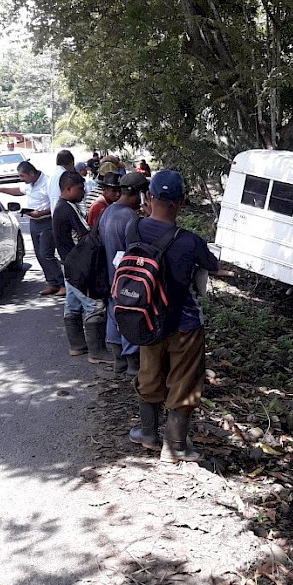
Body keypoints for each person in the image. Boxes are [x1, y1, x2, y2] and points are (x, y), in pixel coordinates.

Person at [125, 170, 230, 463]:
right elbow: (213, 264)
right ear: (182, 201)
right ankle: (175, 448)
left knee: (149, 375)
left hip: (147, 319)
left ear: (150, 197)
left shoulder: (134, 229)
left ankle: (148, 434)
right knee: (183, 383)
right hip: (185, 325)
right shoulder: (190, 241)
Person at [52, 170, 110, 364]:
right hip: (77, 265)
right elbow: (85, 235)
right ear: (68, 189)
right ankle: (97, 352)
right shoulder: (67, 208)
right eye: (80, 188)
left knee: (72, 306)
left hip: (68, 263)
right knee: (95, 305)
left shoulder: (63, 206)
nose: (84, 192)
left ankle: (77, 345)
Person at [98, 171, 149, 378]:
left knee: (113, 313)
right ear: (138, 194)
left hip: (111, 276)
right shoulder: (130, 218)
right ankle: (132, 364)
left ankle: (118, 360)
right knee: (130, 316)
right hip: (127, 278)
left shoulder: (108, 212)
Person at [0, 161, 65, 296]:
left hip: (47, 222)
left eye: (22, 176)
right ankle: (52, 283)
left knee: (46, 254)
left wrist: (41, 213)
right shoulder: (30, 184)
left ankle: (62, 284)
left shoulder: (48, 182)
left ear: (31, 173)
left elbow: (56, 205)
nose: (21, 179)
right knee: (39, 255)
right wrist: (1, 190)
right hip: (34, 222)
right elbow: (18, 191)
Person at [47, 149, 75, 217]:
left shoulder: (51, 176)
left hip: (54, 215)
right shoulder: (66, 175)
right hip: (65, 214)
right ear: (71, 163)